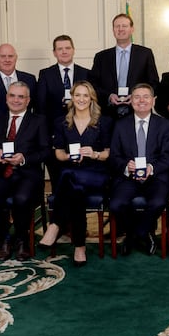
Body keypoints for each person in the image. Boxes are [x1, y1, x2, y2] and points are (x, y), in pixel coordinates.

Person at [38, 81, 112, 267]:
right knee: (76, 190)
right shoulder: (62, 123)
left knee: (68, 176)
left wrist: (94, 154)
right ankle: (80, 246)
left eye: (85, 95)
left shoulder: (104, 121)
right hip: (73, 173)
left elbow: (109, 153)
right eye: (77, 95)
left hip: (97, 173)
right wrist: (69, 156)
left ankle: (55, 224)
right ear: (72, 97)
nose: (81, 99)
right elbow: (59, 154)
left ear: (91, 98)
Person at [0, 82, 50, 261]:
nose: (16, 100)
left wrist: (23, 158)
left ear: (28, 100)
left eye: (21, 97)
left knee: (22, 199)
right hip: (1, 174)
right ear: (6, 98)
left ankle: (22, 239)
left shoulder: (38, 121)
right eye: (12, 96)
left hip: (28, 175)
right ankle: (5, 236)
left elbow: (45, 151)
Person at [108, 83, 169, 256]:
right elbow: (114, 156)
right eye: (137, 97)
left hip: (156, 177)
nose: (141, 101)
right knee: (116, 204)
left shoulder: (164, 125)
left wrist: (151, 168)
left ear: (153, 100)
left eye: (146, 97)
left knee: (158, 202)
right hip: (128, 177)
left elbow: (168, 157)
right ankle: (142, 233)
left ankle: (136, 234)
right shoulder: (120, 125)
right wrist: (125, 166)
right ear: (130, 101)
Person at [36, 35, 90, 191]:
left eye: (67, 48)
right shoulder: (45, 74)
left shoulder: (86, 73)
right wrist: (46, 135)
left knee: (80, 180)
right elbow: (41, 107)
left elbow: (92, 102)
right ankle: (58, 213)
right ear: (54, 52)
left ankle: (81, 213)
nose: (64, 51)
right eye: (60, 49)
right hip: (56, 135)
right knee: (58, 180)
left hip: (82, 134)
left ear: (73, 50)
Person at [89, 13, 160, 120]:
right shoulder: (101, 57)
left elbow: (154, 83)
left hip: (138, 112)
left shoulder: (145, 54)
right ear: (113, 30)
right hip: (108, 114)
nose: (120, 29)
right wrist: (108, 96)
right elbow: (92, 84)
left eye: (124, 26)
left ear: (132, 29)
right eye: (117, 26)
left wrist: (137, 96)